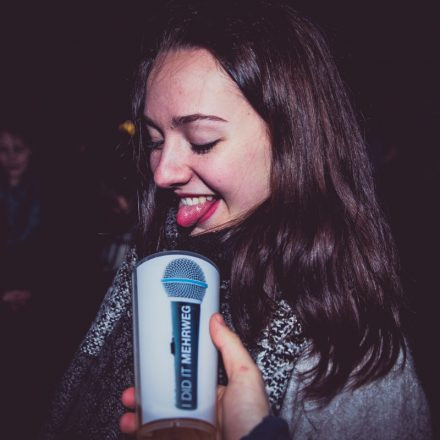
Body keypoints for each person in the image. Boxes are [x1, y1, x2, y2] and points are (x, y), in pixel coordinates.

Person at [43, 0, 432, 439]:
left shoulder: (348, 342)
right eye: (155, 140)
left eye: (202, 141)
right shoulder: (151, 265)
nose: (162, 172)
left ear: (292, 140)